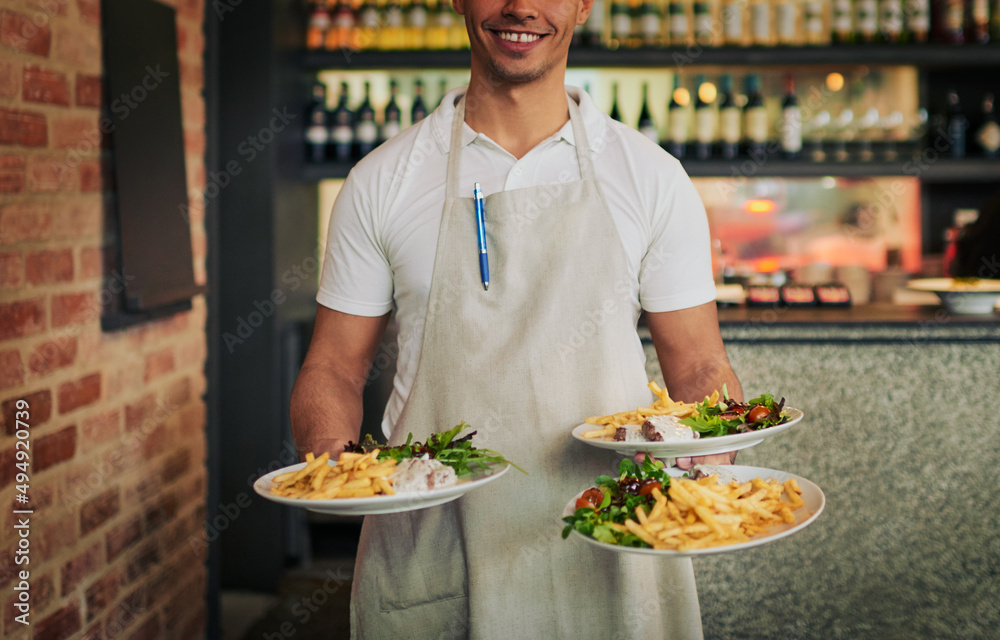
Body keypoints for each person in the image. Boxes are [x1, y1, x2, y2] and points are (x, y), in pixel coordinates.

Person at [290, 0, 742, 637]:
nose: (521, 7)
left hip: (615, 533)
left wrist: (718, 466)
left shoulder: (652, 178)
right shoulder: (382, 181)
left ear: (584, 5)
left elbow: (697, 363)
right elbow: (333, 366)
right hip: (433, 541)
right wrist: (336, 468)